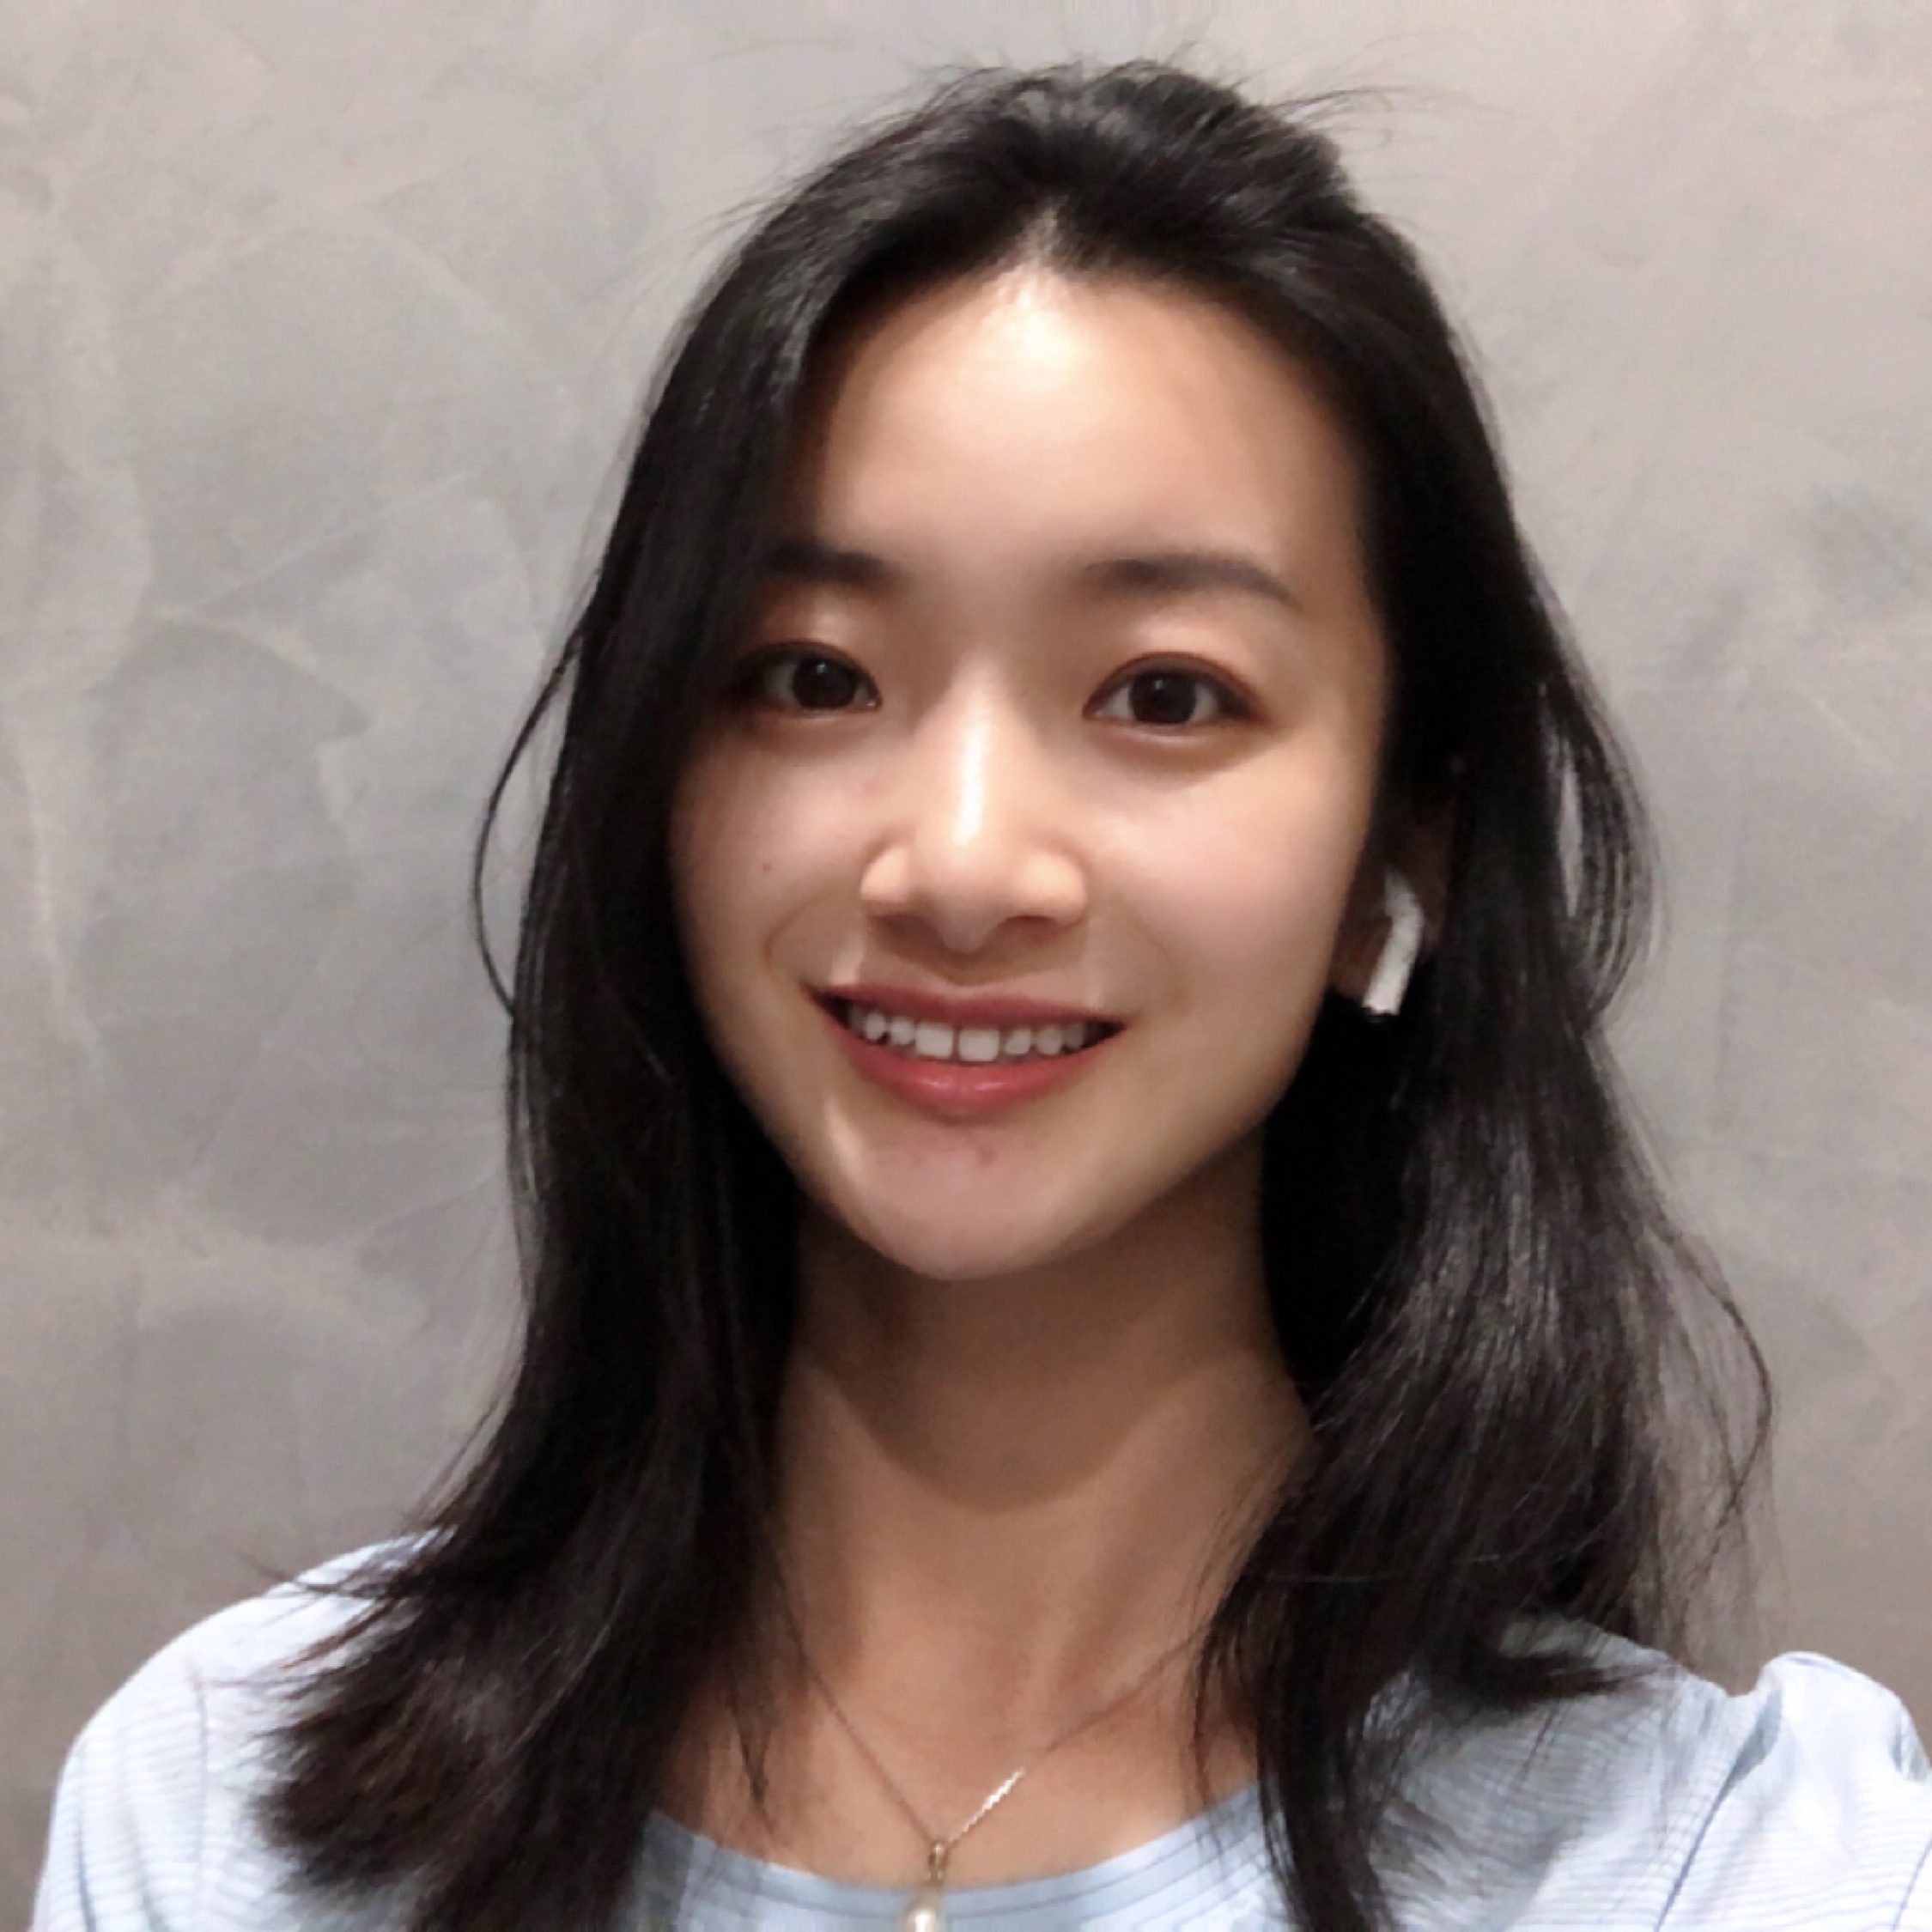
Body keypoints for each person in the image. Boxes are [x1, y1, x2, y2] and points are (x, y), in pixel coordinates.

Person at [32, 59, 1932, 1932]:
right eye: (814, 676)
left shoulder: (1734, 1867)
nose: (955, 863)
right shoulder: (229, 1828)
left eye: (1164, 694)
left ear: (1399, 840)